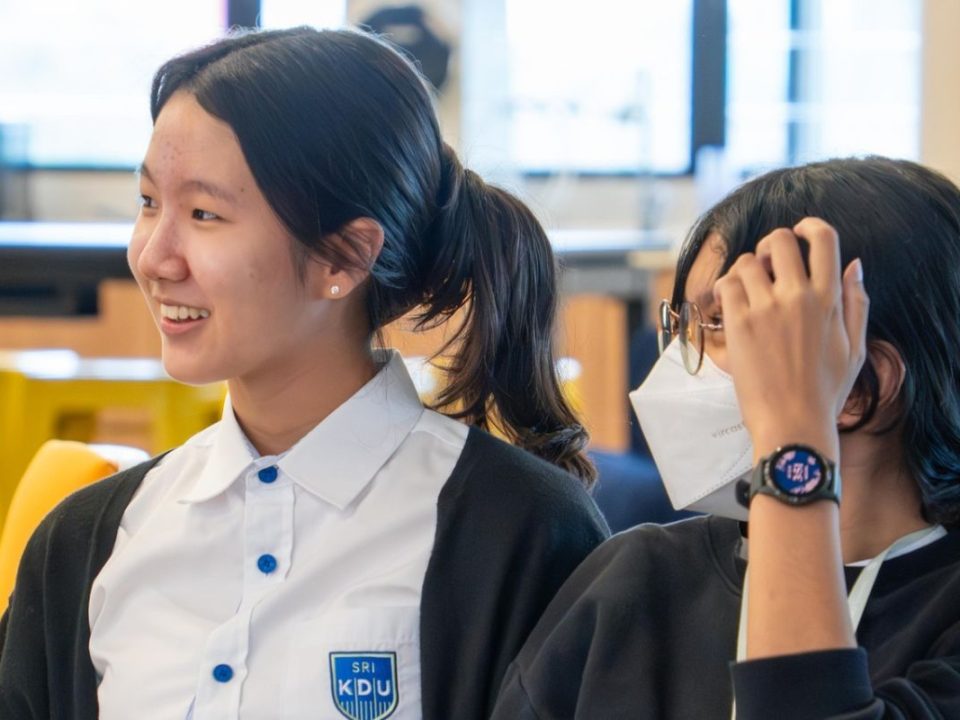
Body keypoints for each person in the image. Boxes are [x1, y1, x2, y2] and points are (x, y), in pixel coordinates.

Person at [0, 27, 608, 720]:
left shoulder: (517, 533)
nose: (154, 256)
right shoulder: (86, 544)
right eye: (147, 204)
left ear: (344, 258)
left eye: (204, 213)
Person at [492, 157, 960, 719]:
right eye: (683, 324)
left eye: (720, 324)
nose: (678, 364)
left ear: (861, 387)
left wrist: (794, 439)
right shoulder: (636, 579)